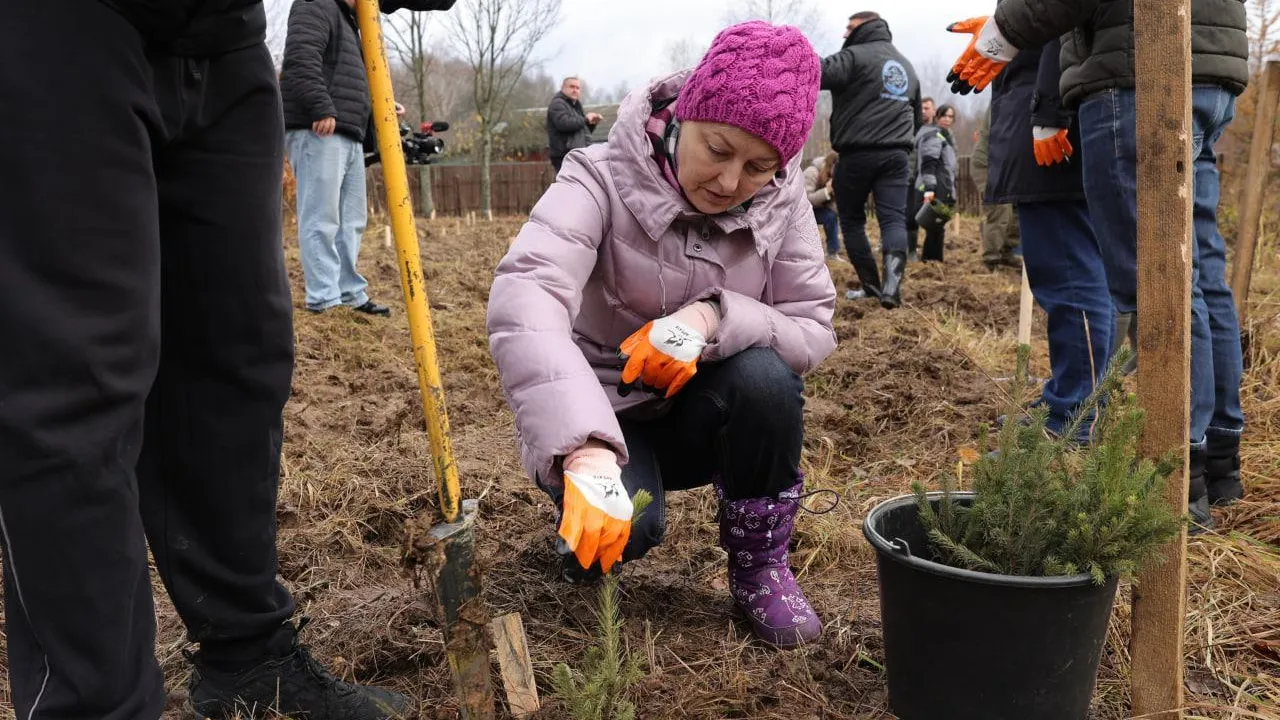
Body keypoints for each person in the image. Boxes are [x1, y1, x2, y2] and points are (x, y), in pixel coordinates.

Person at [0, 1, 454, 718]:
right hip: (60, 23)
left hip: (224, 35)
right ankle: (96, 704)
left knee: (238, 355)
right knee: (76, 378)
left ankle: (246, 654)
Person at [487, 21, 837, 649]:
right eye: (717, 149)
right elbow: (528, 297)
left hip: (700, 412)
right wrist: (582, 447)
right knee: (627, 530)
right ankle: (591, 506)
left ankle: (760, 565)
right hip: (602, 409)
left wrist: (713, 317)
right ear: (683, 116)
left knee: (766, 379)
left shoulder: (783, 206)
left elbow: (812, 327)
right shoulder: (598, 176)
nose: (729, 182)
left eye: (758, 167)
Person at [947, 0, 1249, 528]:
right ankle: (1218, 458)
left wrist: (1011, 32)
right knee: (1199, 273)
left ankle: (1180, 477)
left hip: (1137, 69)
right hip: (1209, 65)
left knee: (1152, 284)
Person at [281, 0, 394, 317]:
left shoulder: (352, 20)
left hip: (347, 130)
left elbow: (349, 79)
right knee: (322, 217)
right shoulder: (314, 4)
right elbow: (300, 61)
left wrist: (383, 105)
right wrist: (320, 107)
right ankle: (324, 298)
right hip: (319, 128)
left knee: (351, 221)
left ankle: (349, 293)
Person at [820, 11, 923, 309]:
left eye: (849, 27)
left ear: (864, 28)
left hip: (856, 154)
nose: (844, 34)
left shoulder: (852, 57)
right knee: (893, 219)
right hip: (896, 156)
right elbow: (916, 119)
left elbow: (816, 73)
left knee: (852, 221)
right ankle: (891, 288)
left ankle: (872, 287)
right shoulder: (906, 66)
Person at [970, 105, 1021, 271]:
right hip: (987, 163)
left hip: (1007, 166)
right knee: (999, 209)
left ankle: (1007, 252)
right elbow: (1005, 132)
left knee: (1016, 209)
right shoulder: (1003, 100)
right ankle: (991, 259)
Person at [913, 103, 959, 263]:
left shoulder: (945, 136)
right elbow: (928, 163)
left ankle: (933, 259)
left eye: (951, 116)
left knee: (938, 226)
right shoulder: (933, 135)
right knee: (935, 225)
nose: (947, 119)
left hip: (943, 186)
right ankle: (931, 260)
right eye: (944, 115)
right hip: (935, 187)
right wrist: (930, 189)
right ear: (937, 117)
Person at [547, 76, 604, 172]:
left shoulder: (576, 106)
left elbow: (579, 131)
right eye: (572, 87)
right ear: (563, 88)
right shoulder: (557, 104)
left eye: (577, 88)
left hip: (576, 154)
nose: (575, 90)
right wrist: (586, 119)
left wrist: (591, 124)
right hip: (564, 156)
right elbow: (564, 124)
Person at [906, 96, 936, 261]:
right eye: (921, 108)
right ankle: (910, 251)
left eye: (927, 108)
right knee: (909, 215)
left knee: (930, 216)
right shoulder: (911, 129)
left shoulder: (937, 131)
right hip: (910, 178)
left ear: (934, 110)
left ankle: (931, 254)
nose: (923, 111)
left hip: (930, 180)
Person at [806, 151, 846, 262]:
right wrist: (826, 191)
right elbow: (806, 200)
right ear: (831, 165)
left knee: (831, 216)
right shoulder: (812, 172)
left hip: (817, 210)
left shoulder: (831, 177)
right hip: (801, 212)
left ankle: (833, 252)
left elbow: (831, 206)